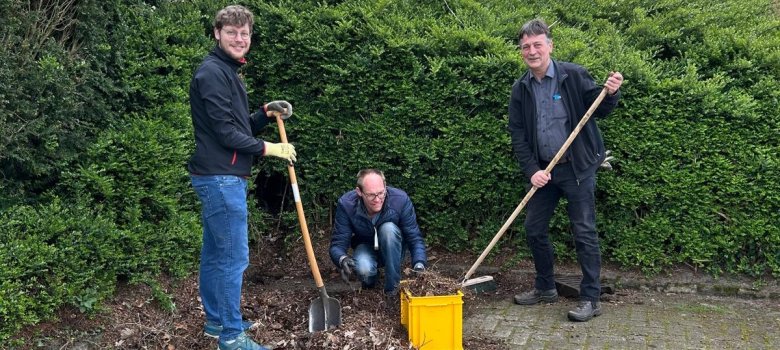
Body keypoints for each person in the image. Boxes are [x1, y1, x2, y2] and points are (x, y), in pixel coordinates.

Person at [187, 5, 297, 350]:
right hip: (220, 178)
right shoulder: (211, 73)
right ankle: (232, 338)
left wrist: (264, 114)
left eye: (244, 33)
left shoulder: (227, 73)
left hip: (222, 176)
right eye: (232, 32)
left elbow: (239, 127)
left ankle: (217, 323)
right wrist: (272, 149)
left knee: (216, 254)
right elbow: (225, 134)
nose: (239, 38)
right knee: (234, 257)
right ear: (217, 33)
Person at [507, 18, 624, 322]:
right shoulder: (520, 89)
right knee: (534, 229)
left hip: (577, 169)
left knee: (584, 232)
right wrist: (532, 169)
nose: (532, 51)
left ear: (549, 46)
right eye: (526, 47)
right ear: (521, 52)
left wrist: (610, 93)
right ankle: (545, 288)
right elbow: (518, 134)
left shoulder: (573, 75)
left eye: (537, 44)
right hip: (544, 172)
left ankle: (591, 298)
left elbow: (599, 108)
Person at [329, 169, 428, 295]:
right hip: (365, 245)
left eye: (381, 193)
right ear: (359, 192)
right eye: (371, 195)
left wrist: (419, 263)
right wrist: (342, 259)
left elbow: (414, 237)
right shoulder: (347, 204)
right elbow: (338, 243)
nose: (377, 199)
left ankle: (393, 289)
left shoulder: (400, 200)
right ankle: (371, 277)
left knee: (388, 229)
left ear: (385, 187)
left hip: (393, 246)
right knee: (365, 272)